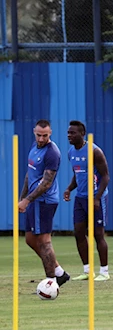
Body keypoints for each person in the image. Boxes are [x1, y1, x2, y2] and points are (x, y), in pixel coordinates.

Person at [18, 120, 70, 286]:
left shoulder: (52, 153)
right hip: (33, 199)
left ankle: (51, 283)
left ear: (50, 133)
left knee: (44, 241)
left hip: (44, 201)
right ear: (34, 132)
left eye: (45, 135)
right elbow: (29, 174)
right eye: (39, 135)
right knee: (30, 239)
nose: (41, 139)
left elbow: (46, 183)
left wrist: (27, 200)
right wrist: (22, 197)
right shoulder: (34, 147)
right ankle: (59, 273)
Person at [63, 120, 111, 281]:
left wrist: (97, 198)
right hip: (80, 198)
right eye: (68, 132)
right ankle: (87, 271)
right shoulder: (71, 152)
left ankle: (104, 272)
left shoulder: (94, 151)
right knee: (78, 233)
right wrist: (69, 188)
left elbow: (105, 177)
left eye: (73, 133)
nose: (69, 135)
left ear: (82, 134)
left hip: (97, 197)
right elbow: (78, 175)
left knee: (98, 234)